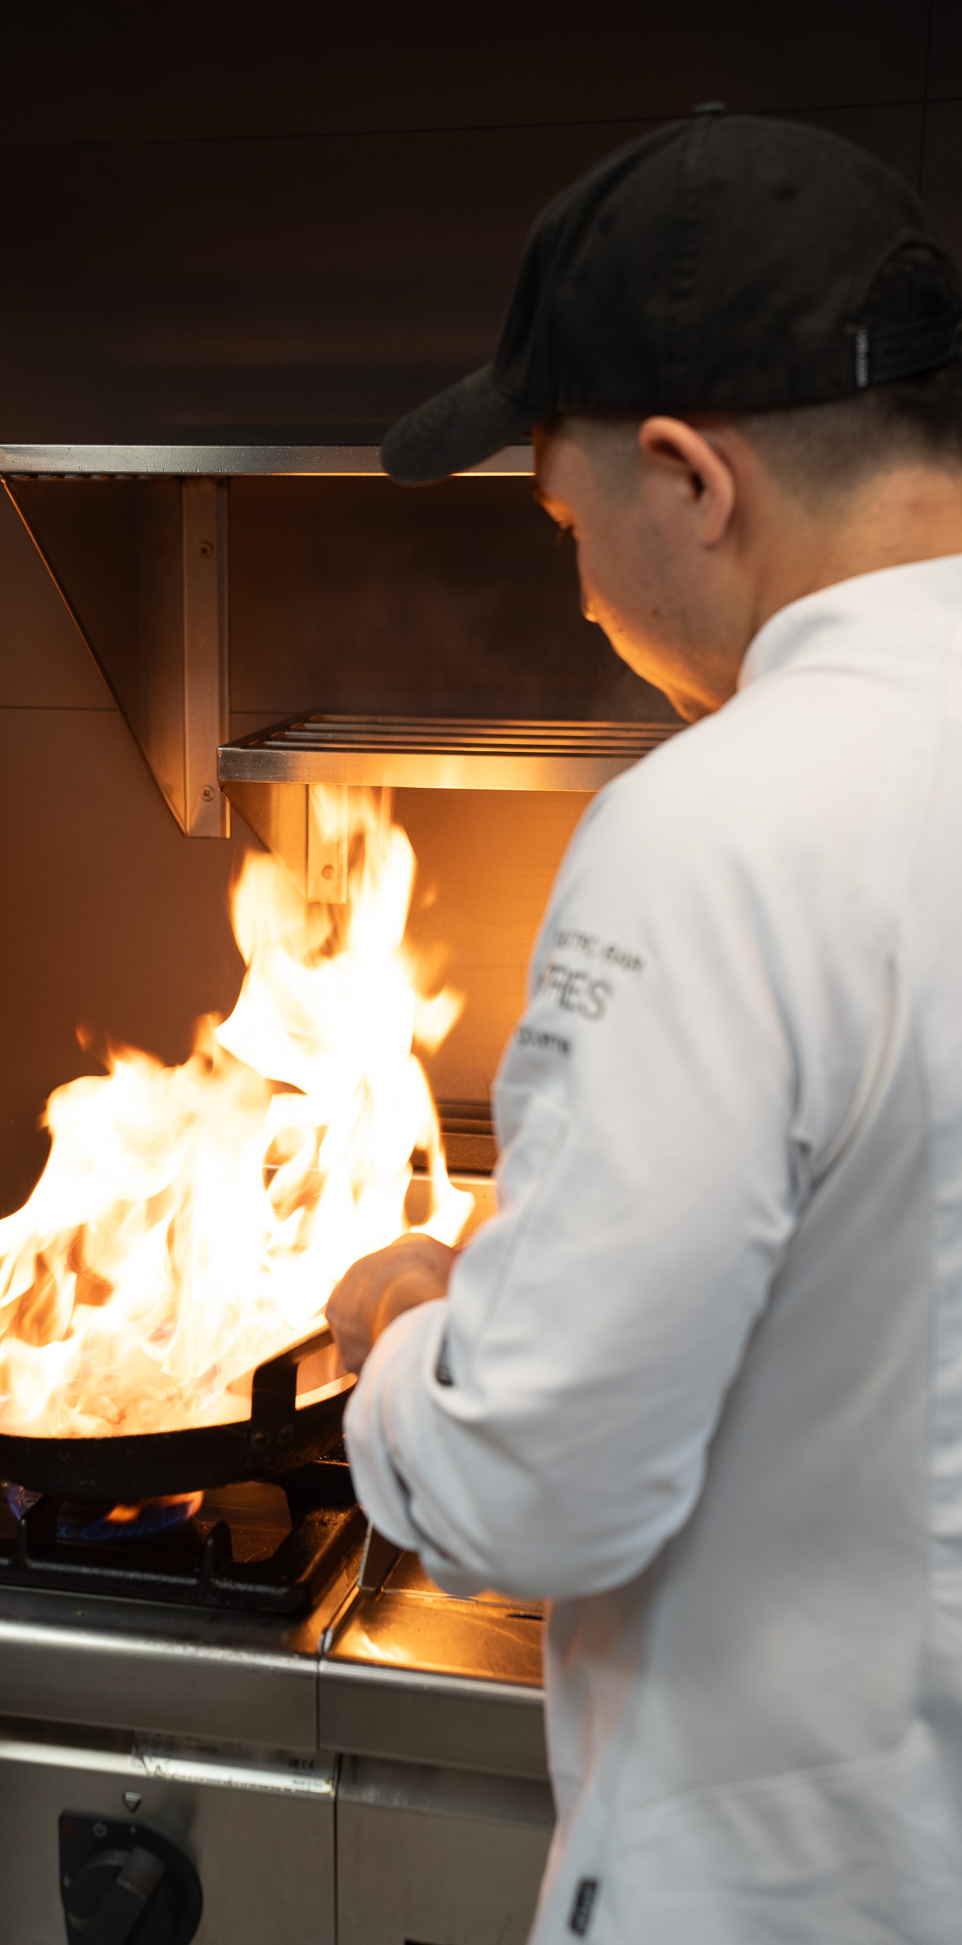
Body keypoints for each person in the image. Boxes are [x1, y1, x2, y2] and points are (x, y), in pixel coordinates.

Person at [326, 109, 962, 1944]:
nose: (582, 586)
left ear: (689, 478)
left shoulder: (719, 829)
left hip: (790, 1889)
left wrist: (406, 1336)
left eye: (562, 517)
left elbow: (539, 1486)